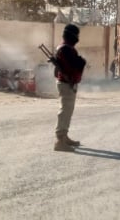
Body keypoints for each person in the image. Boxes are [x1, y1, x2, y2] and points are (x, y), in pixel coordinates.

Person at [53, 24, 87, 152]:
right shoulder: (66, 49)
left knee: (68, 111)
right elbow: (73, 66)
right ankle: (60, 141)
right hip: (66, 84)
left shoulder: (66, 48)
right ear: (72, 36)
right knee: (65, 112)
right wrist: (81, 61)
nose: (77, 38)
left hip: (68, 83)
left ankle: (64, 137)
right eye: (76, 35)